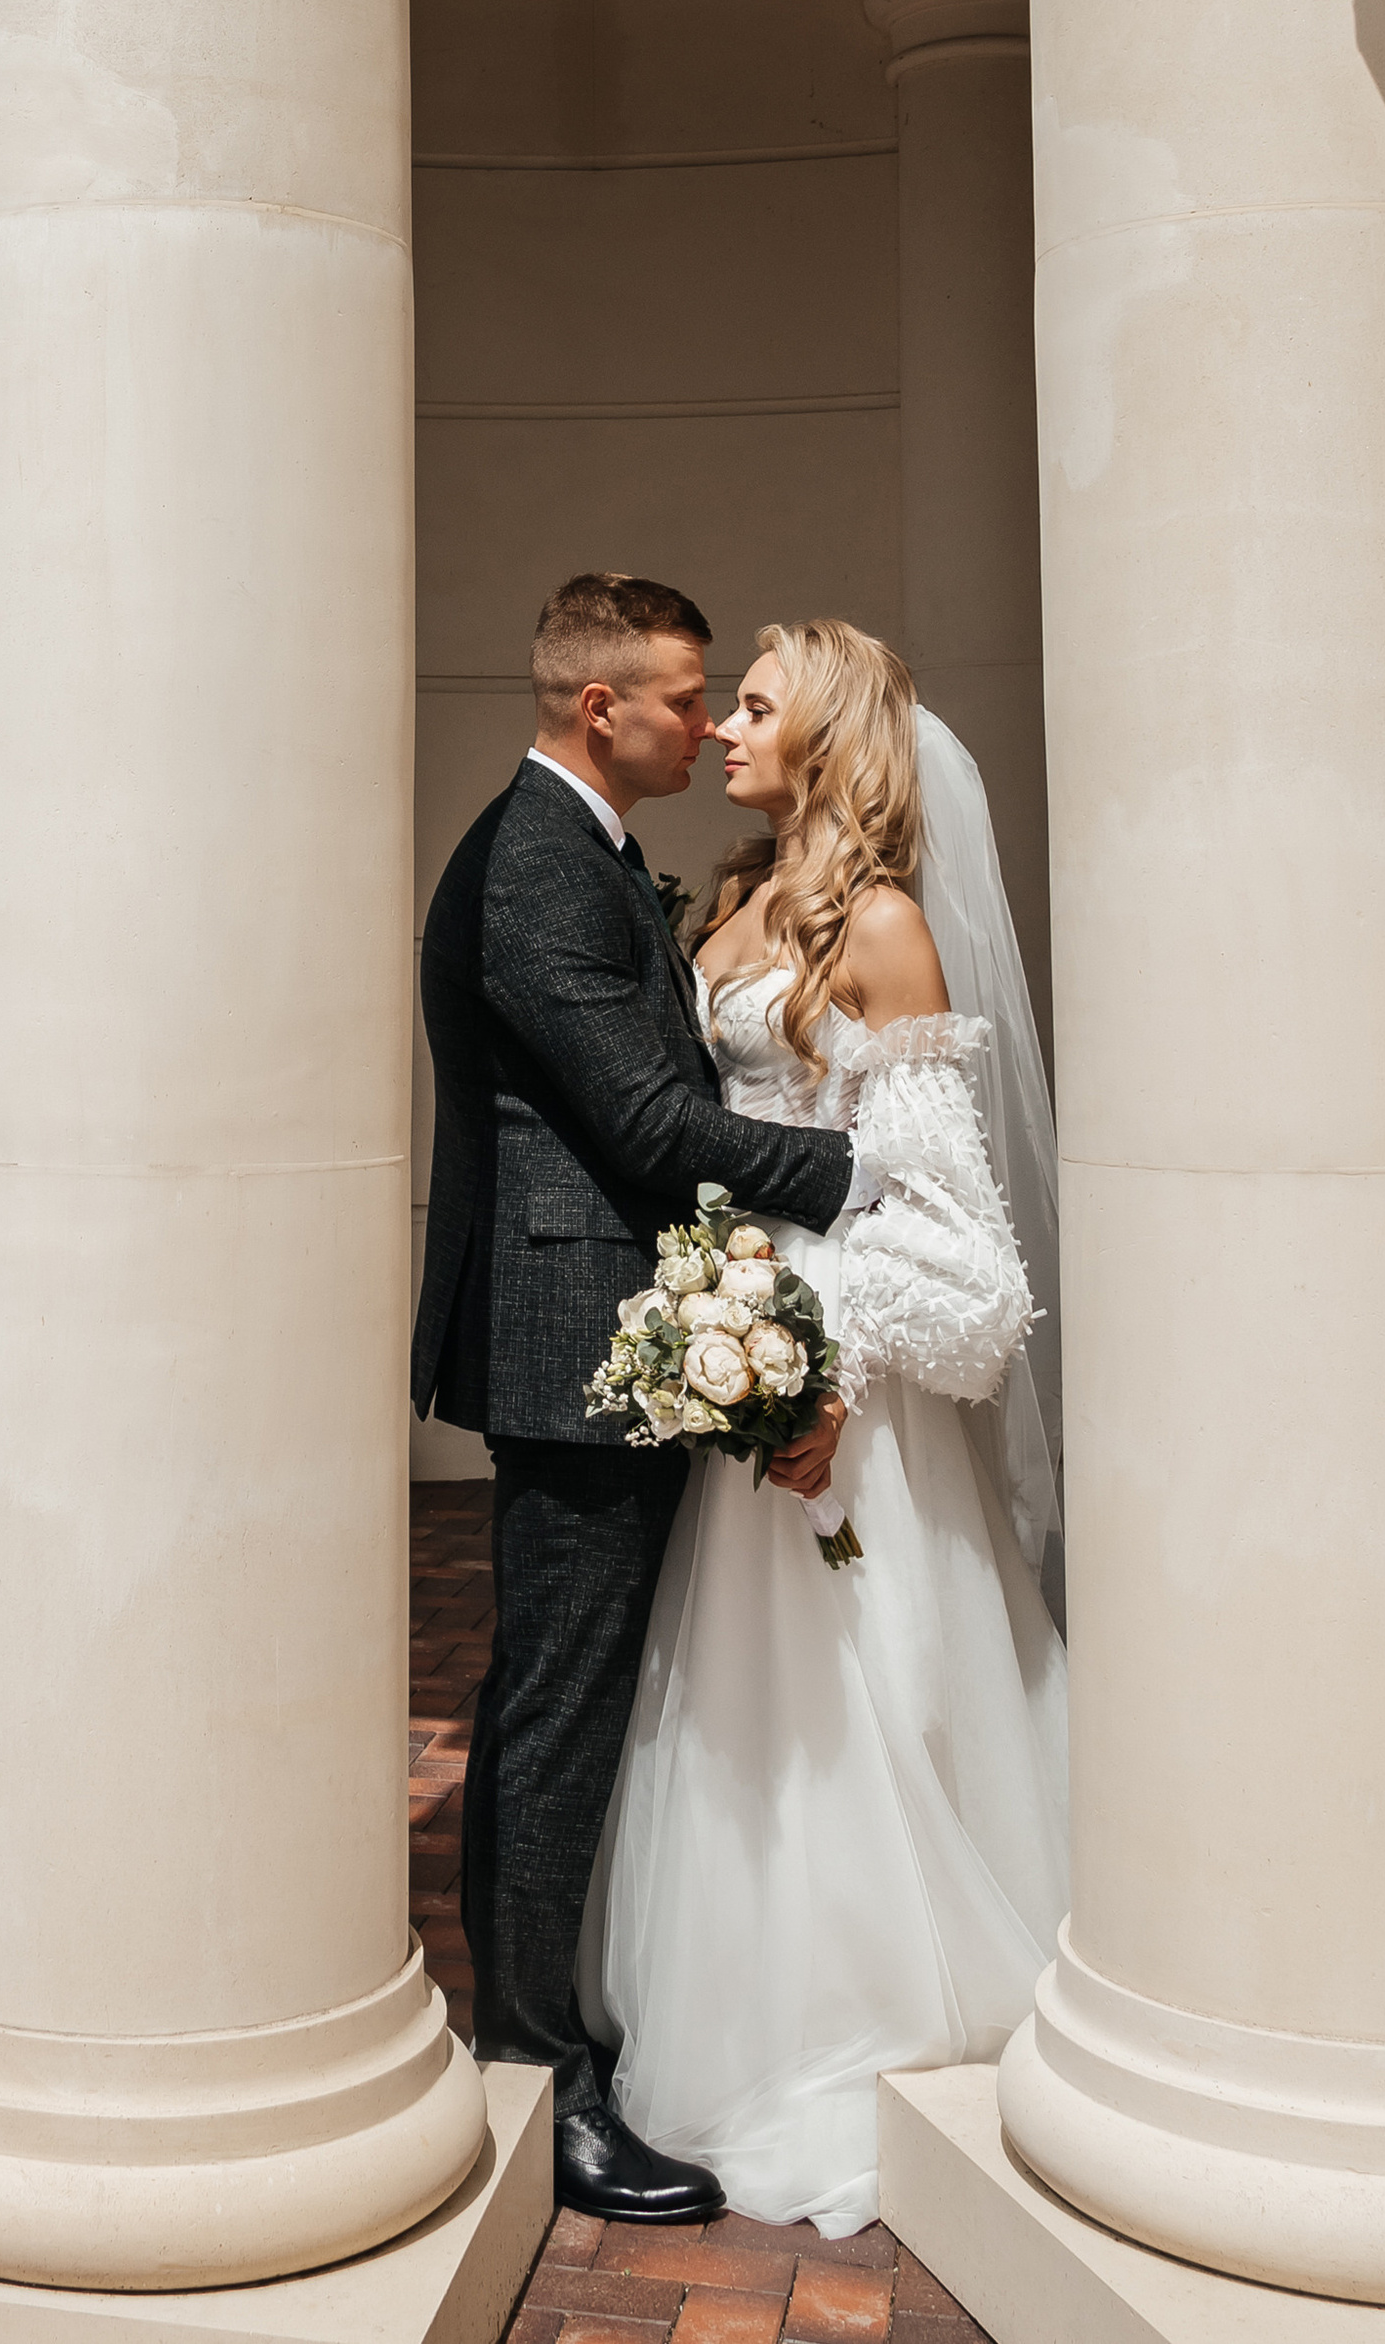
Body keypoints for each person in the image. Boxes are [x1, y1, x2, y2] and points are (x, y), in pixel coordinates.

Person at [578, 619, 1068, 2238]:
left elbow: (955, 1242)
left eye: (758, 706)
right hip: (735, 1346)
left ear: (832, 738)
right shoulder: (733, 905)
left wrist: (824, 1368)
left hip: (832, 1386)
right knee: (737, 1708)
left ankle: (859, 2015)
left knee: (854, 1701)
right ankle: (735, 2000)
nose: (724, 725)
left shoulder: (887, 930)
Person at [412, 573, 866, 2225]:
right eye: (688, 696)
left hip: (600, 1320)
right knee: (560, 1707)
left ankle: (543, 2028)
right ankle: (542, 2071)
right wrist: (869, 1167)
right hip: (573, 1333)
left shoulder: (580, 847)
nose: (706, 718)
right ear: (602, 709)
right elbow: (650, 1124)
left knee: (558, 1692)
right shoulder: (539, 866)